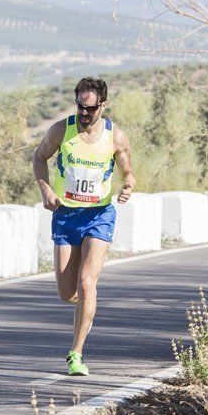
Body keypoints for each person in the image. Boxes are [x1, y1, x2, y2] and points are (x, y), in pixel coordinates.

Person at [32, 77, 135, 376]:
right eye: (80, 106)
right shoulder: (61, 130)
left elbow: (129, 172)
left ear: (102, 105)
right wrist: (46, 190)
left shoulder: (115, 136)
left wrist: (128, 185)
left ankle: (76, 353)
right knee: (68, 292)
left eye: (90, 108)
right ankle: (85, 306)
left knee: (87, 282)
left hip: (99, 215)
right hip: (66, 215)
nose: (84, 113)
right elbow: (39, 157)